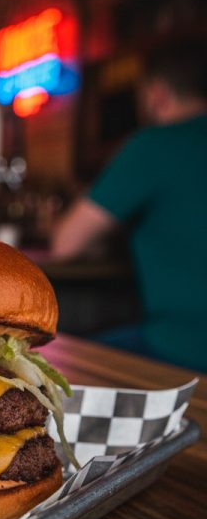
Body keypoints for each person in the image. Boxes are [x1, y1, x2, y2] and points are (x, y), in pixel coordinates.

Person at [52, 38, 207, 372]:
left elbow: (66, 243)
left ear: (157, 95)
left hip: (183, 345)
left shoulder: (154, 145)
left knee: (52, 359)